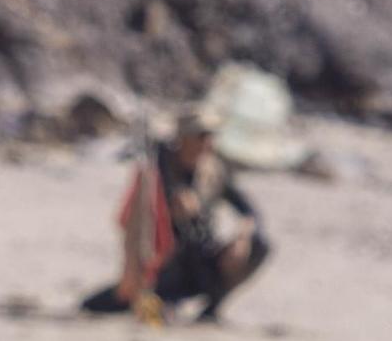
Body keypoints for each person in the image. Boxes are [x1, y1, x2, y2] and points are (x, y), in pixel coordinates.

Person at [80, 109, 270, 325]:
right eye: (200, 137)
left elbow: (249, 210)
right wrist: (170, 206)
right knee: (103, 304)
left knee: (261, 245)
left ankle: (210, 310)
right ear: (183, 139)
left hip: (203, 262)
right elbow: (138, 219)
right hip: (164, 268)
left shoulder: (213, 171)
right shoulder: (159, 168)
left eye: (210, 137)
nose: (206, 143)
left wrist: (242, 238)